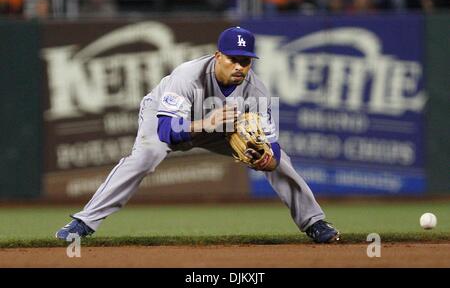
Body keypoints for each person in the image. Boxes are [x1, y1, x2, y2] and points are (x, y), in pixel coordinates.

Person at [55, 26, 340, 244]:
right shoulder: (187, 76)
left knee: (283, 162)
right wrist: (206, 122)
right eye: (233, 59)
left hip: (220, 128)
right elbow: (167, 132)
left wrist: (268, 159)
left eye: (246, 61)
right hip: (167, 119)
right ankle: (84, 223)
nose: (240, 66)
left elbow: (274, 147)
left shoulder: (256, 90)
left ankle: (314, 222)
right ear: (218, 56)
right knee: (145, 156)